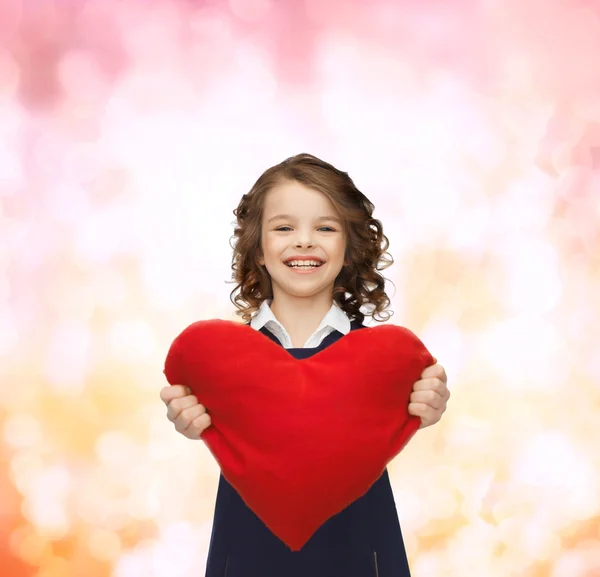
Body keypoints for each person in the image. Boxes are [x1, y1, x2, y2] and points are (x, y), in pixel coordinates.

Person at [160, 153, 450, 577]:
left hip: (356, 550)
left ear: (349, 249)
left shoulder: (381, 364)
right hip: (249, 552)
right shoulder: (223, 363)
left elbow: (409, 408)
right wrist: (190, 418)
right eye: (284, 227)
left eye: (325, 228)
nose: (304, 241)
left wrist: (425, 406)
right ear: (257, 249)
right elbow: (200, 417)